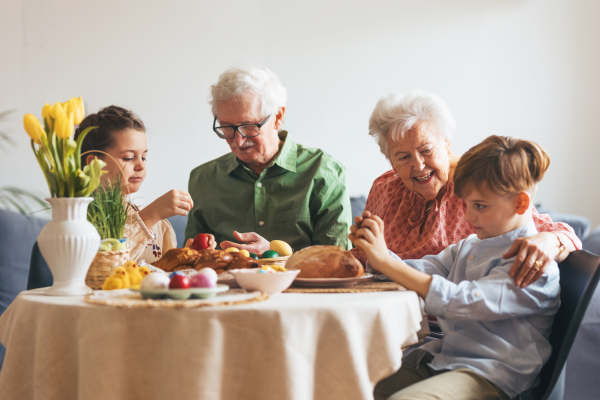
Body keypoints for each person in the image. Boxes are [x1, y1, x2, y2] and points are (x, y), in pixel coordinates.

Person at [350, 135, 561, 400]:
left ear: (520, 203)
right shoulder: (469, 246)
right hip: (444, 359)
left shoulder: (534, 266)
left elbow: (463, 301)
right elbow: (424, 268)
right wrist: (375, 251)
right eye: (467, 204)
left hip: (493, 377)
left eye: (480, 206)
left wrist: (385, 262)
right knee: (347, 382)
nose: (470, 216)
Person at [352, 90, 580, 288]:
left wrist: (549, 242)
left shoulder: (478, 188)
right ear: (391, 161)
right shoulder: (385, 189)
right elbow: (364, 259)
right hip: (383, 309)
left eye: (426, 150)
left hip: (447, 320)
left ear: (447, 144)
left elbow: (561, 233)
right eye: (403, 156)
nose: (418, 165)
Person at [184, 66, 352, 254]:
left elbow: (336, 260)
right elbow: (192, 259)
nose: (238, 141)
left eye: (248, 126)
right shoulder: (203, 178)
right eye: (226, 127)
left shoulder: (325, 171)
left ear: (278, 117)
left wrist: (276, 256)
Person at [75, 105, 201, 263]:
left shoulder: (159, 225)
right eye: (128, 157)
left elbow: (164, 274)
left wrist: (190, 257)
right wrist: (151, 214)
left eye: (143, 157)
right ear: (94, 164)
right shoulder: (77, 223)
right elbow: (103, 271)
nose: (141, 166)